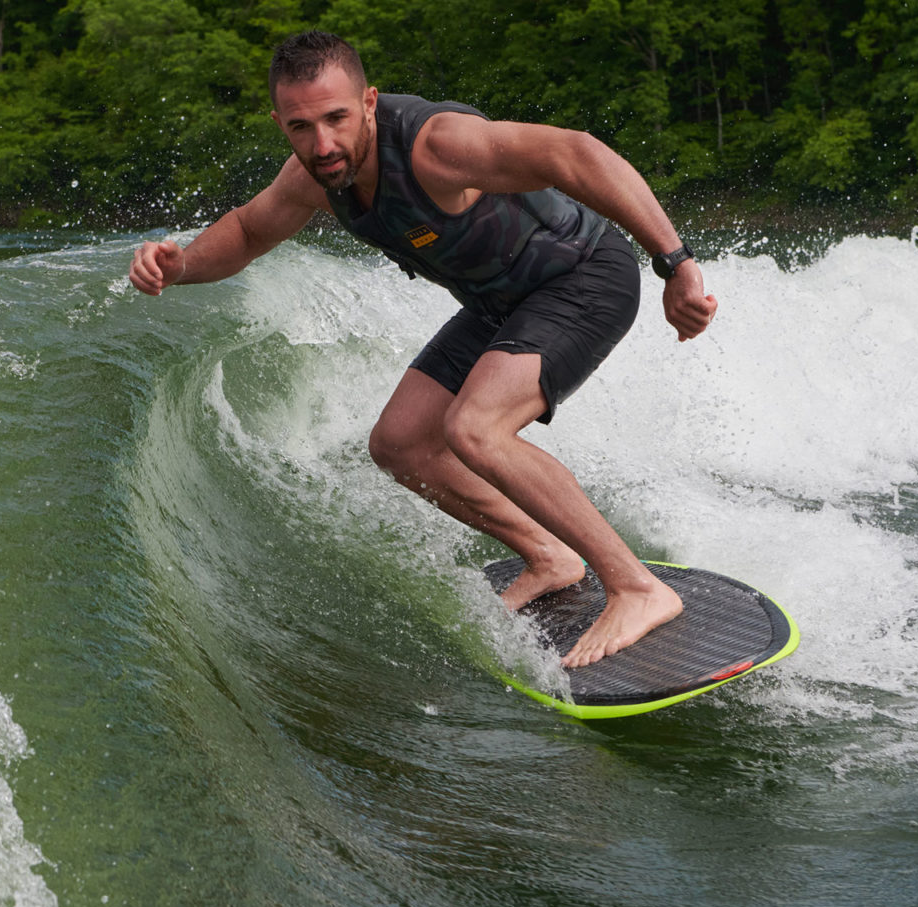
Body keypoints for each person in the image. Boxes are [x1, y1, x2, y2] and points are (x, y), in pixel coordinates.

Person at [129, 31, 718, 668]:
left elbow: (574, 153)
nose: (322, 144)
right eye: (301, 127)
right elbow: (248, 230)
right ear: (280, 124)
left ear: (370, 102)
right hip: (500, 303)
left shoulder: (437, 147)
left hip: (584, 276)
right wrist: (180, 266)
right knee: (401, 443)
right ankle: (550, 555)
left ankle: (636, 587)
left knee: (475, 428)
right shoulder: (314, 176)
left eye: (336, 118)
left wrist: (676, 263)